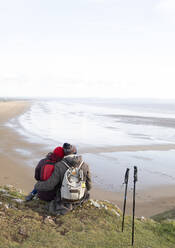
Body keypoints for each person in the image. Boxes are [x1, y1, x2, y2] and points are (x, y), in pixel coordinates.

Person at [34, 144, 92, 215]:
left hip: (65, 198)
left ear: (64, 154)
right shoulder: (85, 165)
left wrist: (37, 186)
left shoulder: (60, 166)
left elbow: (49, 185)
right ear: (75, 152)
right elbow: (89, 186)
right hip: (80, 197)